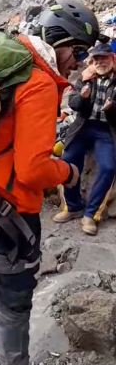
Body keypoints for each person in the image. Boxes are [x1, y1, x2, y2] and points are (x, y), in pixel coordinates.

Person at [0, 0, 99, 365]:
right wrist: (66, 172)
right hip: (10, 216)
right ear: (57, 40)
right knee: (12, 310)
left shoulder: (9, 67)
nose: (79, 62)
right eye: (78, 51)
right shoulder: (37, 83)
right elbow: (31, 170)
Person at [53, 43, 116, 235]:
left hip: (106, 130)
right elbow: (72, 103)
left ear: (112, 59)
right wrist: (82, 97)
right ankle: (72, 207)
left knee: (108, 167)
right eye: (96, 59)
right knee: (68, 159)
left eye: (103, 58)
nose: (100, 63)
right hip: (83, 126)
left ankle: (91, 214)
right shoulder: (85, 77)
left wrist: (112, 108)